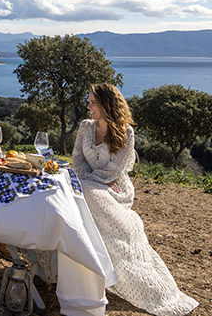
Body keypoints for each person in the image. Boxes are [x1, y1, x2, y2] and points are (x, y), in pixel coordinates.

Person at [72, 83, 198, 316]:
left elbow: (115, 169)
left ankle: (126, 273)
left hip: (115, 188)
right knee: (79, 194)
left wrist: (89, 182)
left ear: (106, 105)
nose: (88, 106)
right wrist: (86, 180)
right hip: (87, 183)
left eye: (93, 102)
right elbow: (77, 160)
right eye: (88, 101)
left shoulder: (126, 132)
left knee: (87, 193)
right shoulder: (85, 127)